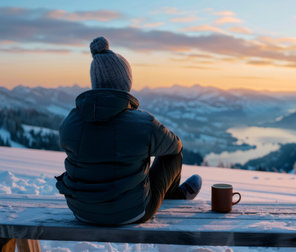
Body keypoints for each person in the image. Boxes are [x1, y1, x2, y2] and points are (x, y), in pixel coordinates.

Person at [56, 36, 202, 226]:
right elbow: (175, 146)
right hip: (133, 213)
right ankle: (174, 196)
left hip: (81, 212)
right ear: (126, 82)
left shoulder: (70, 121)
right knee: (172, 154)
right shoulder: (143, 123)